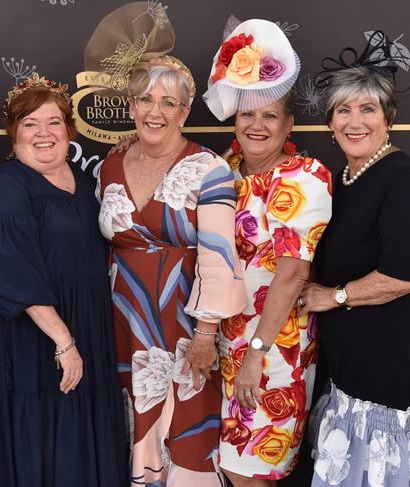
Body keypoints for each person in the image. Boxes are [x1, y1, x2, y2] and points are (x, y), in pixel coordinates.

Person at [89, 5, 246, 485]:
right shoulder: (108, 167)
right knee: (130, 424)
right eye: (145, 100)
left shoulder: (209, 169)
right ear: (131, 105)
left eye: (168, 103)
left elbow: (219, 257)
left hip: (183, 324)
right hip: (120, 320)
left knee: (184, 427)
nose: (155, 112)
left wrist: (205, 334)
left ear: (184, 110)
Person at [300, 31, 410, 486]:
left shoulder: (401, 179)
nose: (355, 121)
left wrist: (333, 296)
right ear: (330, 120)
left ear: (390, 117)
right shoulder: (344, 179)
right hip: (355, 368)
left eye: (368, 108)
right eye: (344, 110)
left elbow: (403, 277)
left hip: (394, 367)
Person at [0, 73, 128, 487]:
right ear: (13, 134)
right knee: (41, 442)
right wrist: (63, 341)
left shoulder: (84, 183)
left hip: (86, 330)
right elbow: (10, 269)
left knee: (79, 440)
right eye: (30, 124)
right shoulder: (6, 186)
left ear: (70, 130)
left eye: (54, 122)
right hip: (32, 341)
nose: (44, 133)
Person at [199, 19, 333, 486]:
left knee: (249, 473)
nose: (256, 125)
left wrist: (257, 352)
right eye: (247, 114)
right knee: (229, 470)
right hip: (227, 348)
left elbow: (293, 274)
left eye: (270, 115)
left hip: (273, 348)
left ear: (289, 123)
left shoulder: (303, 176)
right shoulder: (226, 170)